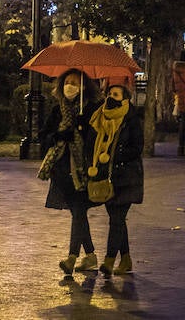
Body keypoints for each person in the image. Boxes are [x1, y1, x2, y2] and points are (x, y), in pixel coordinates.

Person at [41, 69, 102, 274]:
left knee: (78, 210)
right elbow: (44, 136)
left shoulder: (92, 108)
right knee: (78, 212)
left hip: (82, 169)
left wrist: (82, 128)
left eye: (75, 82)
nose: (70, 86)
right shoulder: (58, 109)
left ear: (84, 86)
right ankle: (90, 255)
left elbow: (97, 138)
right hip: (61, 170)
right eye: (67, 82)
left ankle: (72, 257)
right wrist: (59, 135)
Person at [85, 80, 144, 276]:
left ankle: (109, 260)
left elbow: (136, 149)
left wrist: (114, 155)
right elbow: (91, 142)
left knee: (117, 219)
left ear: (126, 99)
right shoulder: (99, 118)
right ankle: (126, 259)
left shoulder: (132, 119)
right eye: (109, 94)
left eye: (116, 95)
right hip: (106, 178)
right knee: (116, 219)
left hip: (127, 177)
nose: (111, 98)